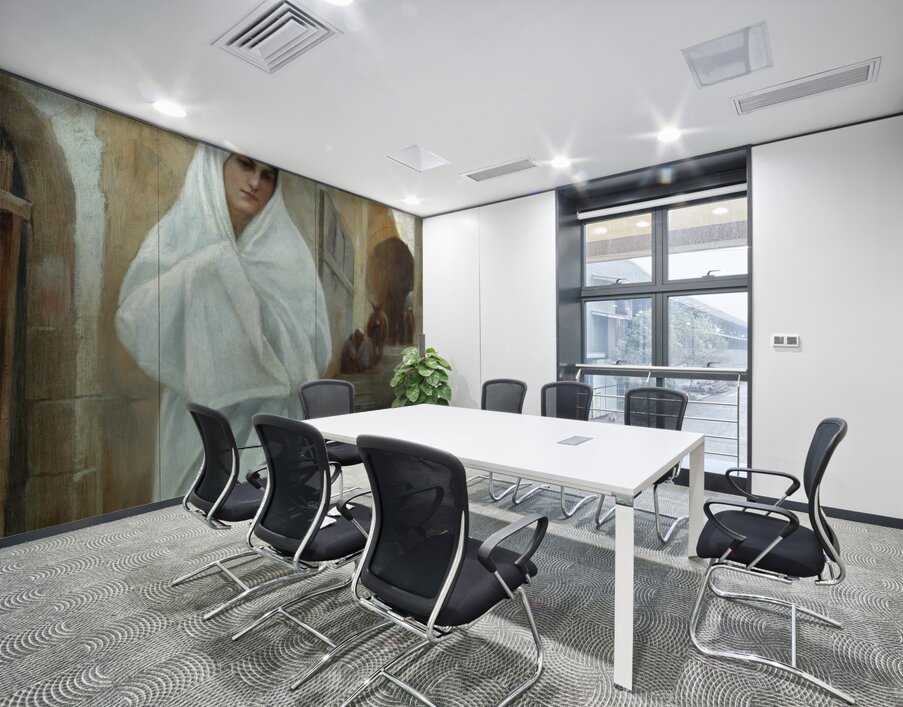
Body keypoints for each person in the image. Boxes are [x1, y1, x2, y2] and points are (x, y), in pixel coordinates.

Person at [116, 144, 331, 498]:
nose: (255, 182)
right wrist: (206, 267)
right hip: (199, 412)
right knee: (191, 509)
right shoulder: (175, 234)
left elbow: (315, 342)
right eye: (245, 165)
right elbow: (134, 317)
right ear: (215, 167)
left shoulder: (289, 252)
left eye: (268, 175)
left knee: (269, 504)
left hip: (269, 414)